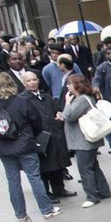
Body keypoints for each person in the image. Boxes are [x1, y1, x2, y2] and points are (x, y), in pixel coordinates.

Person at [0, 72, 61, 222]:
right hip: (25, 144)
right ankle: (46, 209)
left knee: (13, 180)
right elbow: (36, 121)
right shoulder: (21, 101)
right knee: (34, 177)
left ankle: (20, 214)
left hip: (4, 147)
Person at [19, 71, 75, 203]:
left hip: (54, 133)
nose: (32, 83)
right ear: (24, 83)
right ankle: (46, 192)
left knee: (57, 162)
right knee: (44, 167)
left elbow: (56, 110)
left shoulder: (46, 96)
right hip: (40, 137)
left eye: (34, 79)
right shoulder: (23, 99)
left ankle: (59, 188)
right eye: (29, 81)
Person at [60, 75, 111, 208]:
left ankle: (92, 196)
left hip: (83, 141)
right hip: (87, 139)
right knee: (93, 166)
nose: (67, 86)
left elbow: (69, 115)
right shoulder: (85, 98)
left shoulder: (81, 100)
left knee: (85, 169)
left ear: (76, 85)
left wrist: (66, 102)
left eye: (69, 84)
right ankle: (103, 191)